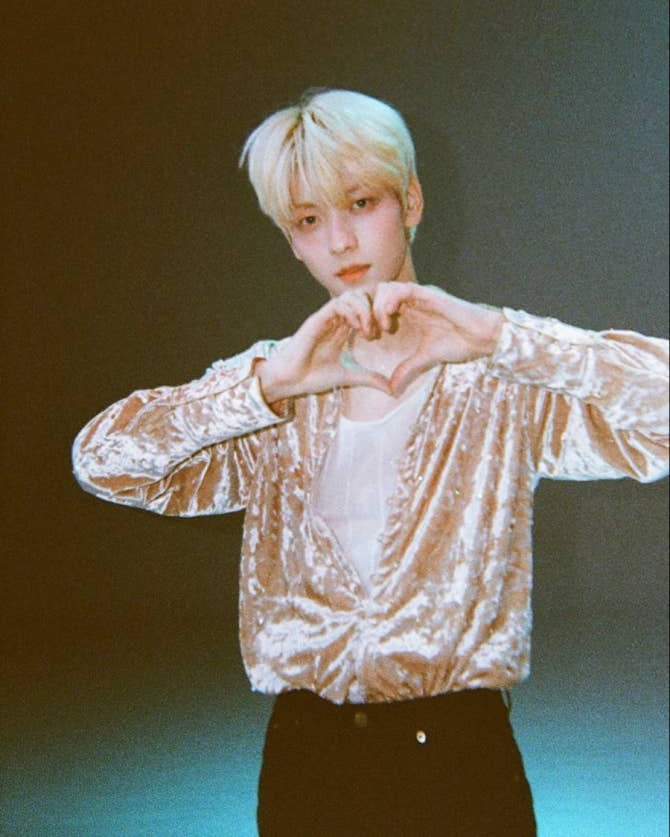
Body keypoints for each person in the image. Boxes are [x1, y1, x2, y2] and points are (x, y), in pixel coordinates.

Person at [72, 89, 669, 836]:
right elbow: (105, 461)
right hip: (306, 765)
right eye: (308, 220)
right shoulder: (272, 391)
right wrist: (266, 385)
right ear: (291, 241)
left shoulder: (497, 383)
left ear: (410, 200)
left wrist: (503, 338)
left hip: (461, 765)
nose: (340, 241)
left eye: (360, 203)